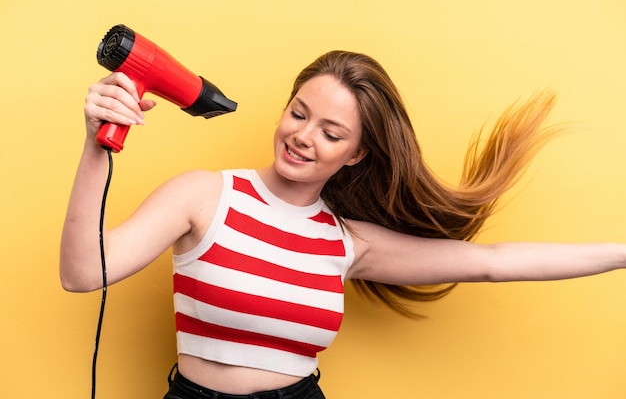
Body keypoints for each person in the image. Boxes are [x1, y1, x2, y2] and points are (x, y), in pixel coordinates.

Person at [60, 50, 626, 399]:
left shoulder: (346, 241)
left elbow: (494, 263)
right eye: (299, 114)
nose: (304, 137)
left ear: (356, 154)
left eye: (332, 133)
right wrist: (95, 146)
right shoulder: (204, 196)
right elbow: (83, 273)